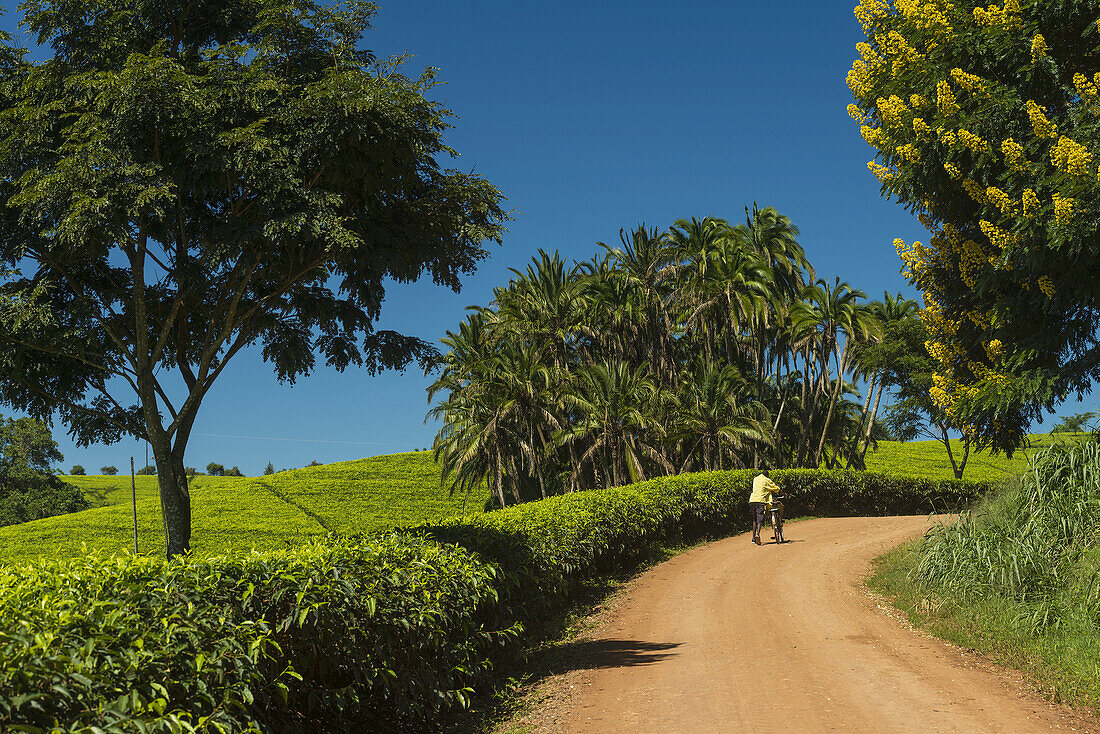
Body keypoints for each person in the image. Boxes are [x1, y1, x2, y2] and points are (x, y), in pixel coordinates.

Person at [748, 468, 782, 545]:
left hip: (752, 500)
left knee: (754, 520)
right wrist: (782, 493)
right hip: (760, 501)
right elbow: (776, 488)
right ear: (767, 475)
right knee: (760, 520)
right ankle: (758, 534)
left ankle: (753, 539)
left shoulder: (755, 479)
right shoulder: (767, 480)